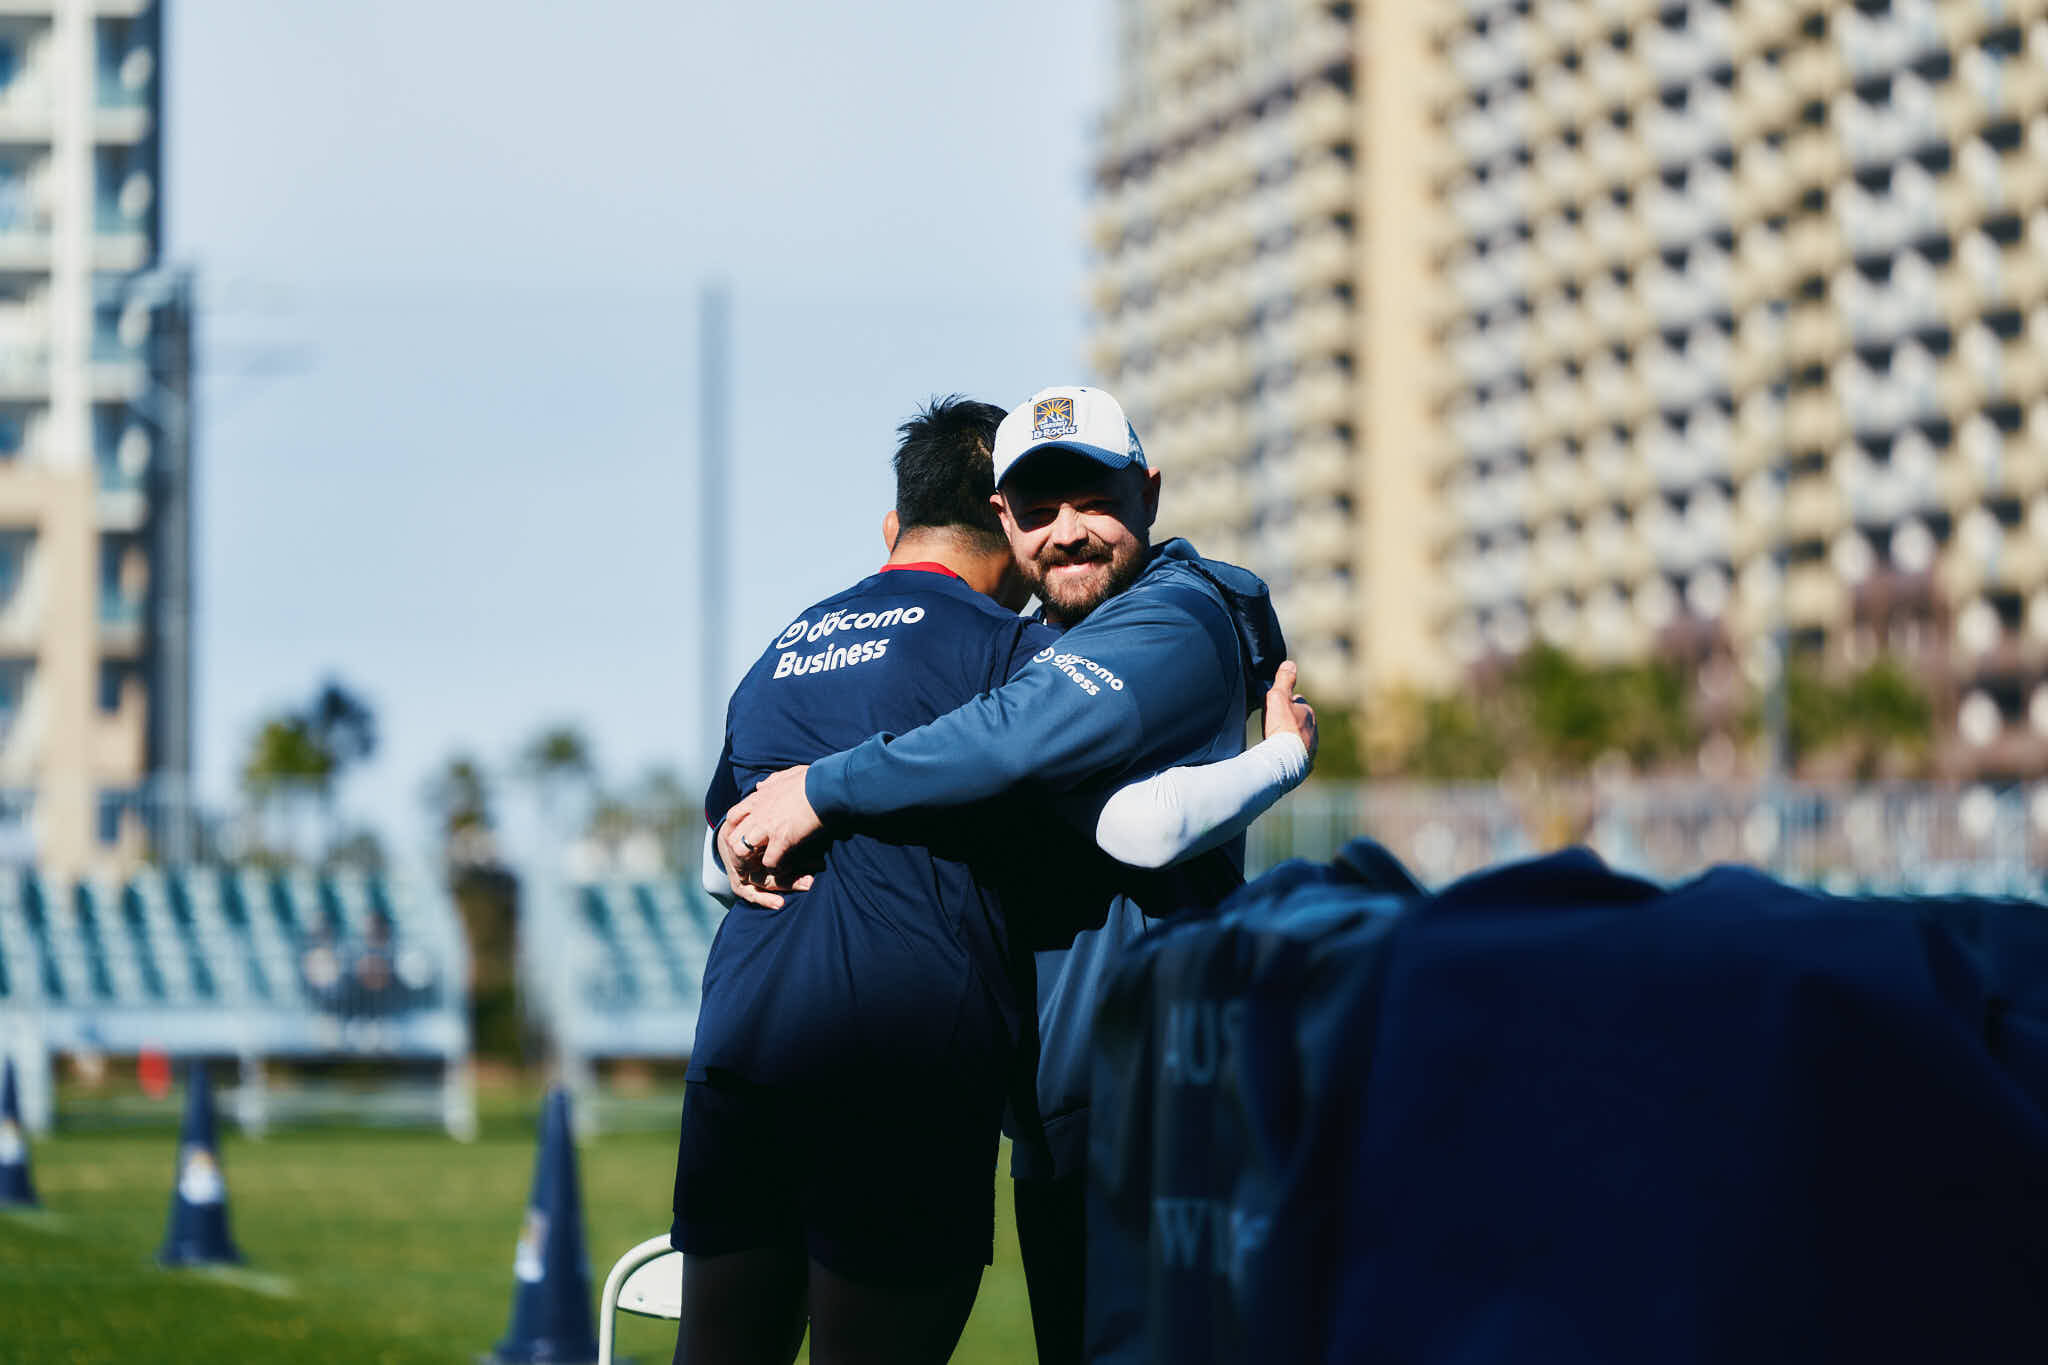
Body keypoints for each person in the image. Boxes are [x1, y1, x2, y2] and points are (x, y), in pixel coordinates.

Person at [676, 395, 1314, 1365]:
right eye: (1038, 509)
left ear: (1148, 495)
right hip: (994, 1077)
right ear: (1000, 520)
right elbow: (1129, 822)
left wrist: (816, 793)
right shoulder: (1007, 649)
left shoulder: (796, 645)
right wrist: (1280, 760)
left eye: (1092, 500)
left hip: (1128, 1083)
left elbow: (718, 853)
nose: (1066, 530)